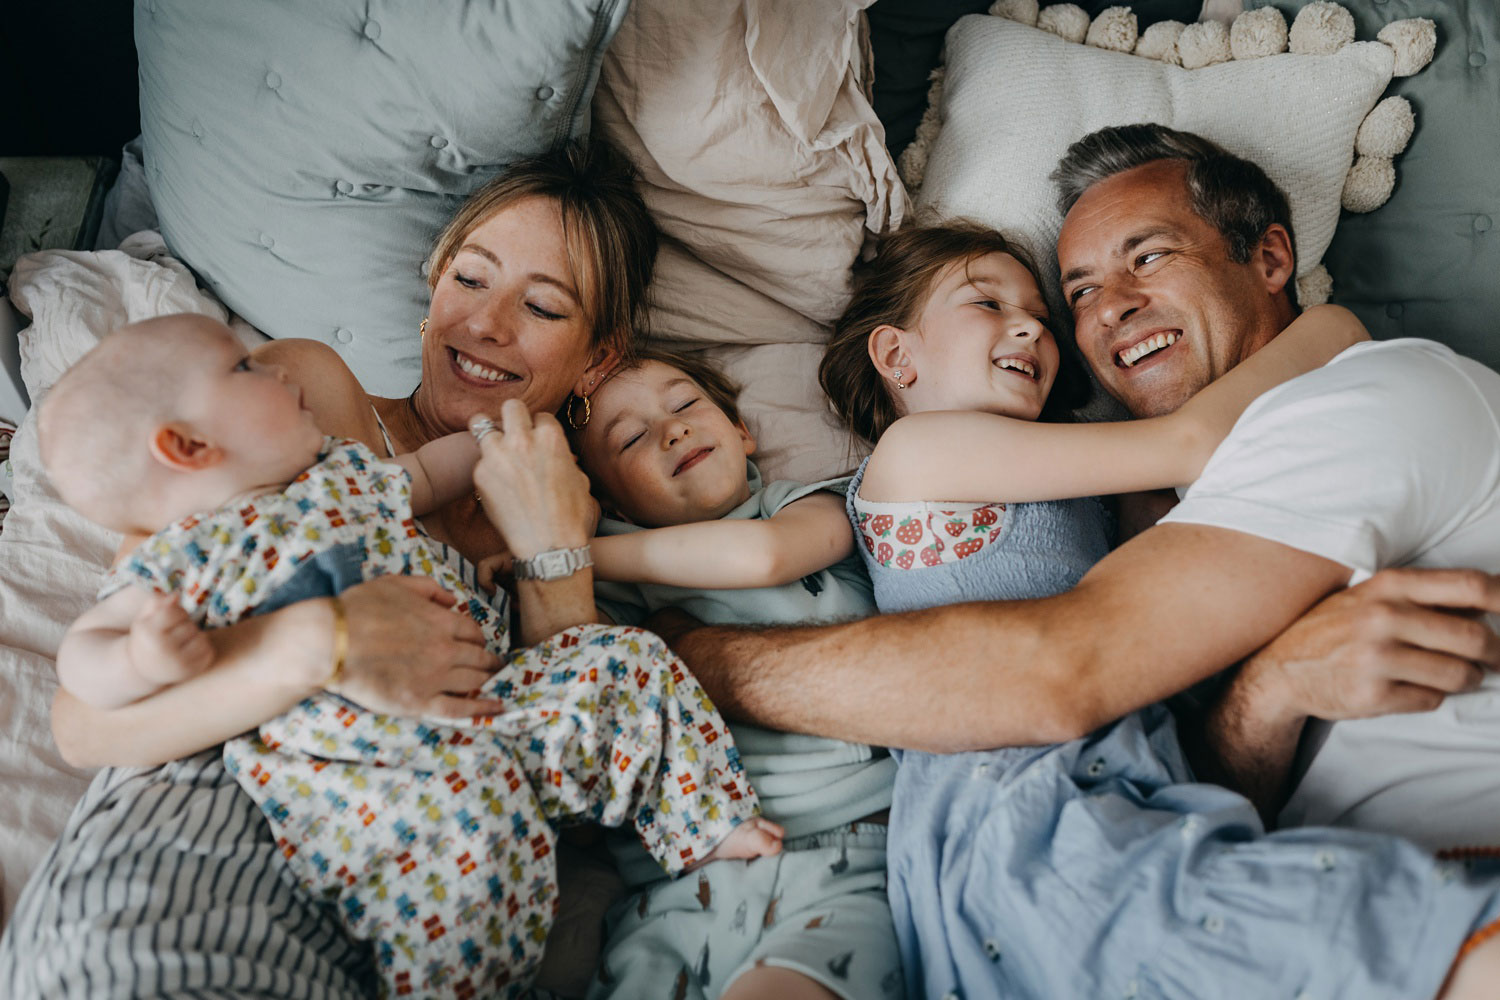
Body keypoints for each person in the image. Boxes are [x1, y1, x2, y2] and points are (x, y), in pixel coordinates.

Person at [642, 125, 1500, 998]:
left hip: (1152, 814)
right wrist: (1327, 325)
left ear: (1272, 255)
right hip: (1063, 805)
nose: (1097, 312)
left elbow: (1071, 664)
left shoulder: (1361, 401)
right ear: (896, 357)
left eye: (1149, 256)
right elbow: (1167, 484)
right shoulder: (952, 455)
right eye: (1079, 290)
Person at [1, 139, 667, 999]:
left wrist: (552, 558)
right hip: (202, 851)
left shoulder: (599, 519)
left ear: (599, 360)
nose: (486, 324)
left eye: (541, 307)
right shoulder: (304, 403)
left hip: (422, 914)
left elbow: (572, 792)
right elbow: (86, 727)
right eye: (469, 279)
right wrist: (319, 643)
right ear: (432, 287)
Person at [39, 313, 784, 998]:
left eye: (547, 308)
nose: (279, 376)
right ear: (189, 447)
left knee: (624, 661)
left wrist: (510, 457)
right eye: (245, 372)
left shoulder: (341, 472)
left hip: (490, 709)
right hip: (355, 771)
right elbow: (84, 669)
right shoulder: (187, 545)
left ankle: (705, 824)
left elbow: (426, 477)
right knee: (461, 860)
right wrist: (143, 658)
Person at [569, 345, 899, 1000]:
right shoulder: (611, 606)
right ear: (613, 502)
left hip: (844, 861)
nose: (673, 430)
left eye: (686, 404)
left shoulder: (806, 507)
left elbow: (763, 556)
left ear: (741, 431)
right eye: (632, 437)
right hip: (673, 889)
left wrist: (577, 553)